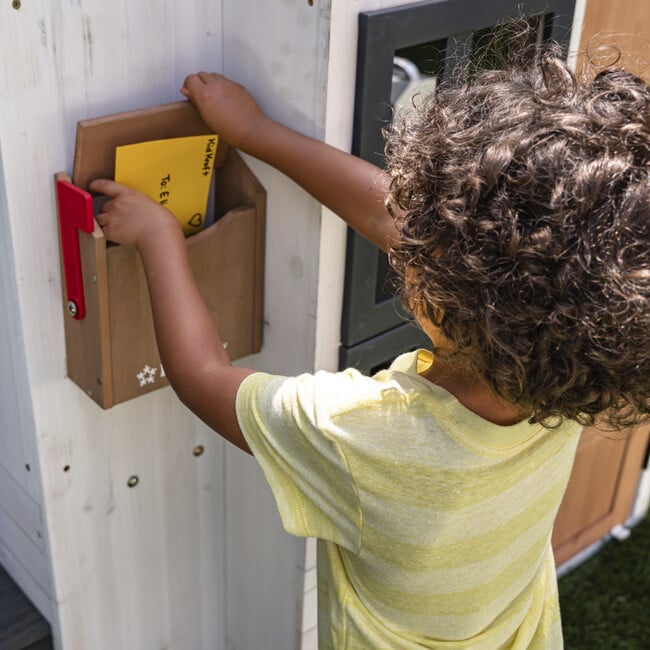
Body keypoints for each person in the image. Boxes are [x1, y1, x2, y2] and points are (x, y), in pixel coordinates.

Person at [89, 46, 650, 649]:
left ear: (447, 294)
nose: (406, 229)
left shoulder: (368, 437)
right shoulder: (570, 375)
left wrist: (158, 237)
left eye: (425, 234)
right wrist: (255, 132)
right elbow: (414, 229)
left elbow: (202, 376)